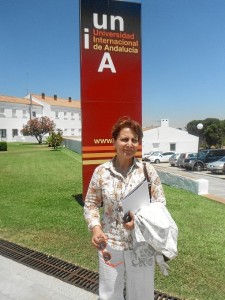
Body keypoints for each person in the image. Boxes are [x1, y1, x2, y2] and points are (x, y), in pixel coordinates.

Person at [84, 116, 166, 300]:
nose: (129, 144)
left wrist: (139, 222)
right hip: (110, 243)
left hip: (141, 244)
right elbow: (90, 204)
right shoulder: (101, 172)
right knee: (109, 293)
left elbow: (160, 204)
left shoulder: (147, 170)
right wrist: (96, 228)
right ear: (114, 141)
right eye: (124, 139)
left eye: (134, 140)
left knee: (141, 294)